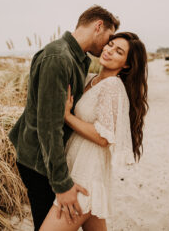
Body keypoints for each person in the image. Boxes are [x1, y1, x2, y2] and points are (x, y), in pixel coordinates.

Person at [8, 5, 120, 231]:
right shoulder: (58, 57)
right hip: (40, 163)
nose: (108, 45)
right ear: (98, 26)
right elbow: (49, 126)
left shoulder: (78, 60)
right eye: (109, 38)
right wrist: (61, 184)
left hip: (53, 161)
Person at [39, 32, 148, 231]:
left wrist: (68, 117)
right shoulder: (91, 78)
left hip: (87, 172)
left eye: (118, 52)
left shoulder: (112, 86)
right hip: (77, 164)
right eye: (110, 45)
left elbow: (103, 137)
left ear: (126, 65)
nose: (109, 51)